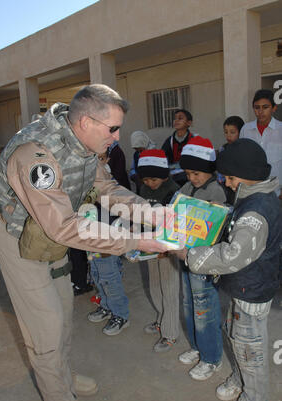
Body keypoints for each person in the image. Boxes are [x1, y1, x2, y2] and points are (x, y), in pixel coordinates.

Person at [0, 84, 168, 401]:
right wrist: (135, 240)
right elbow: (65, 227)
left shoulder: (85, 145)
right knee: (46, 324)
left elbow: (107, 190)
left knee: (65, 307)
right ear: (85, 121)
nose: (117, 137)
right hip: (16, 236)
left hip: (48, 235)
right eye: (112, 128)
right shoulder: (35, 154)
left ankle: (61, 374)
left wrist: (154, 214)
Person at [178, 138, 282, 401]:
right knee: (238, 339)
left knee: (251, 348)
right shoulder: (252, 197)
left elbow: (233, 255)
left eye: (231, 178)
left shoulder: (256, 212)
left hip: (253, 291)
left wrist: (191, 254)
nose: (228, 183)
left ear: (247, 175)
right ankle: (240, 379)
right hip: (245, 287)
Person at [175, 136, 226, 380]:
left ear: (208, 170)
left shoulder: (216, 190)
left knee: (204, 308)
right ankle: (197, 347)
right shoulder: (185, 189)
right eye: (188, 173)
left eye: (196, 173)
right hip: (185, 257)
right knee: (189, 305)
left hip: (205, 261)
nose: (192, 178)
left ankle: (211, 357)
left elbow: (218, 224)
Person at [137, 149, 180, 352]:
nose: (149, 184)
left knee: (169, 288)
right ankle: (162, 320)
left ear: (164, 175)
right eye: (145, 180)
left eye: (153, 179)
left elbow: (175, 222)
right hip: (148, 246)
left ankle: (170, 333)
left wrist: (167, 247)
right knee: (154, 284)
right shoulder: (143, 190)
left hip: (167, 249)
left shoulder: (173, 191)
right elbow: (139, 214)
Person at [87, 154, 131, 336]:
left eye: (101, 158)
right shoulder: (83, 176)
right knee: (97, 273)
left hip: (106, 235)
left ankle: (120, 314)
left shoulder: (106, 179)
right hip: (90, 235)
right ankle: (106, 305)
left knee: (109, 276)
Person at [240, 88, 282, 200]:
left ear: (274, 108)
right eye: (257, 107)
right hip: (251, 190)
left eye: (265, 107)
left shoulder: (280, 129)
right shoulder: (246, 129)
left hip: (276, 192)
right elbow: (242, 159)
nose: (260, 111)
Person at [162, 108, 194, 186]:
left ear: (189, 123)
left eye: (180, 118)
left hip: (188, 174)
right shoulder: (170, 141)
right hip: (172, 174)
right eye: (175, 118)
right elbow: (163, 157)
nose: (176, 121)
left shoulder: (193, 140)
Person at [217, 116, 245, 204]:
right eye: (226, 132)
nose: (228, 135)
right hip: (224, 186)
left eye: (232, 132)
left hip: (238, 187)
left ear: (241, 132)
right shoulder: (223, 148)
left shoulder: (244, 149)